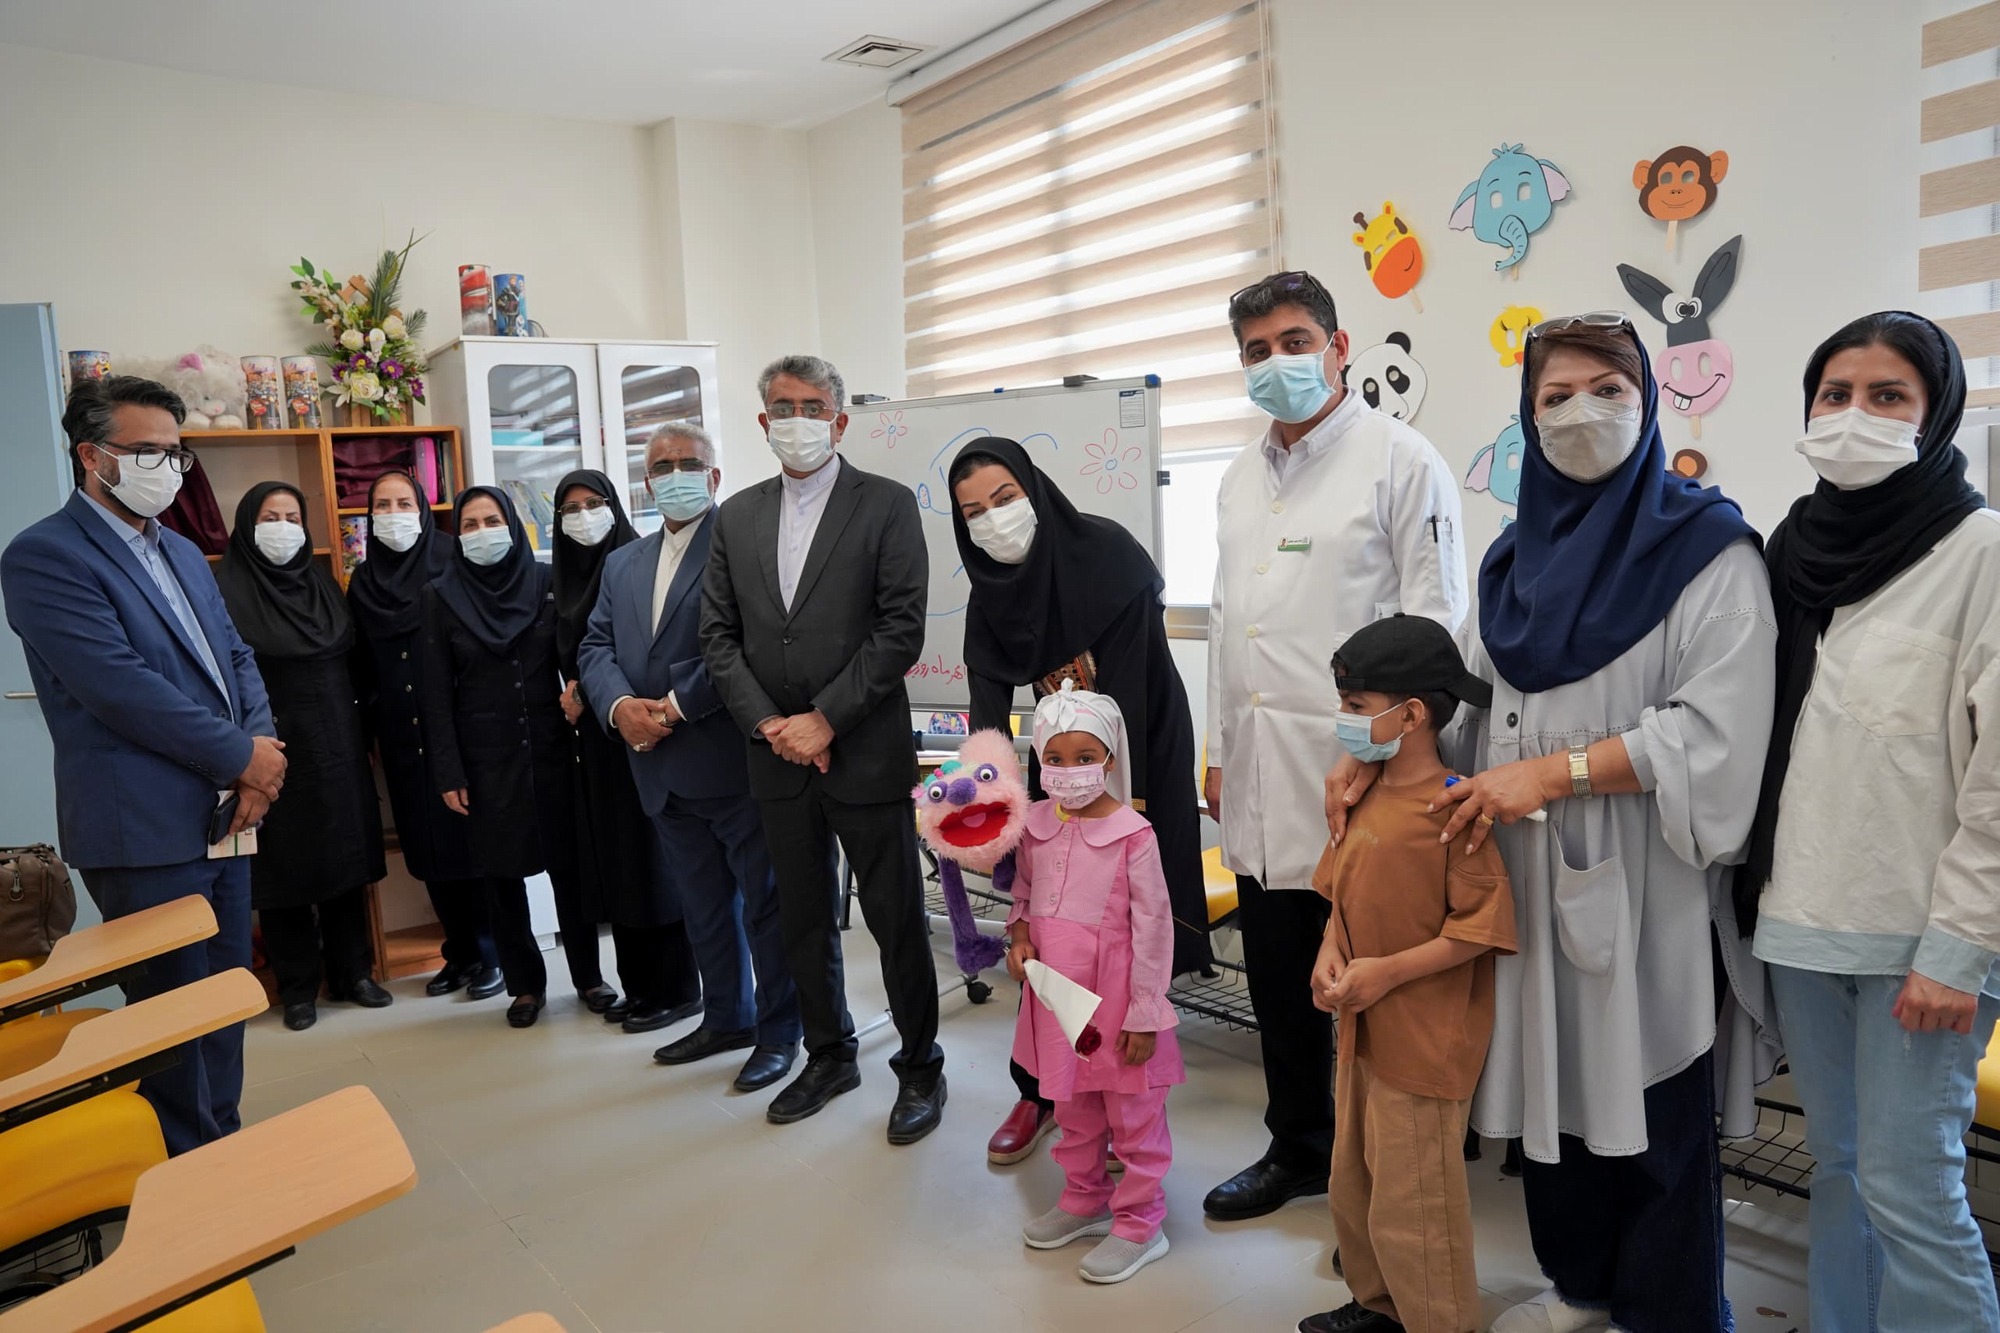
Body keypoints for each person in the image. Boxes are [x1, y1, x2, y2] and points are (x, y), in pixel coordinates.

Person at [1329, 315, 1780, 1333]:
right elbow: (1462, 707)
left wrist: (1558, 773)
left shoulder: (1710, 554)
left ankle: (1668, 1313)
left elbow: (1715, 736)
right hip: (1518, 874)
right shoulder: (1509, 564)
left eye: (1608, 389)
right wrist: (1372, 756)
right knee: (1550, 1096)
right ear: (1527, 420)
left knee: (1652, 1102)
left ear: (1648, 403)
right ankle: (1579, 1288)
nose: (1581, 413)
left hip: (1644, 877)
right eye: (1554, 396)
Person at [1743, 312, 2000, 1332]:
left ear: (1935, 414)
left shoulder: (1980, 551)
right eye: (1834, 394)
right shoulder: (1790, 549)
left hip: (1922, 943)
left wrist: (1958, 950)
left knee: (1911, 1189)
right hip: (1803, 923)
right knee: (1841, 1169)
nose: (1854, 414)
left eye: (1887, 395)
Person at [1203, 270, 1469, 1222]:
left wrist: (1378, 753)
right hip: (1261, 773)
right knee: (1280, 975)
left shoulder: (1402, 461)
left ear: (1339, 346)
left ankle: (1386, 1175)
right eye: (1257, 350)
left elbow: (1438, 627)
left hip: (1367, 774)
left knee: (1372, 986)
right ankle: (1300, 1147)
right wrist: (1218, 747)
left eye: (1294, 342)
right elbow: (1229, 623)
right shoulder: (1238, 477)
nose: (1276, 362)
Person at [0, 375, 281, 1154]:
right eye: (147, 451)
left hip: (229, 815)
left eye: (175, 453)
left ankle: (221, 1146)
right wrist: (242, 756)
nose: (167, 467)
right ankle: (185, 1172)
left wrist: (260, 753)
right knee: (172, 1018)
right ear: (92, 456)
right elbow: (120, 688)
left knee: (224, 1002)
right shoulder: (44, 556)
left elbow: (235, 656)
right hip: (143, 828)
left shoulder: (182, 550)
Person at [700, 353, 944, 1144]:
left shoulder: (886, 504)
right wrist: (773, 725)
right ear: (762, 420)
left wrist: (826, 719)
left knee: (894, 917)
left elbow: (900, 628)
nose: (797, 420)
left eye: (813, 407)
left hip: (864, 748)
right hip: (775, 756)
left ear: (839, 421)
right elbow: (718, 635)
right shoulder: (736, 516)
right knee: (800, 915)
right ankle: (830, 1054)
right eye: (783, 406)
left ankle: (920, 1066)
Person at [951, 437, 1211, 1167]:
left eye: (1004, 498)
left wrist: (1108, 810)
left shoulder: (1108, 556)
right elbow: (986, 720)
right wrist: (986, 805)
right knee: (1046, 932)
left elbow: (1126, 698)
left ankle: (1124, 1096)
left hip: (1136, 753)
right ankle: (1039, 1089)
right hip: (1058, 758)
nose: (993, 520)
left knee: (1118, 928)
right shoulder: (990, 593)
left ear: (1034, 490)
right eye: (973, 512)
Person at [1298, 615, 1515, 1333]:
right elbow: (1340, 896)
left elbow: (1478, 930)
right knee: (1355, 1181)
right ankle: (1379, 1306)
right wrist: (1330, 952)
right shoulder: (1360, 793)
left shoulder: (1455, 808)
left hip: (1423, 1044)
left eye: (1355, 706)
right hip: (1362, 1032)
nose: (1343, 720)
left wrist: (1387, 973)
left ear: (1412, 714)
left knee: (1415, 1201)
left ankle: (1438, 1321)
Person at [580, 424, 801, 1091]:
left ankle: (779, 1030)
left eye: (687, 463)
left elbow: (750, 644)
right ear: (646, 483)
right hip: (658, 768)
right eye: (660, 466)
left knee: (765, 907)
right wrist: (621, 708)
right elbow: (595, 646)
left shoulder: (746, 547)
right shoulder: (623, 562)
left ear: (714, 475)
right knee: (703, 907)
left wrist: (674, 707)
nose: (674, 474)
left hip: (729, 759)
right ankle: (727, 1017)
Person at [1006, 683, 1181, 1285]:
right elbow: (1023, 893)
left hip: (1119, 1000)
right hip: (1057, 998)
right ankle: (1084, 1198)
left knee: (1133, 1112)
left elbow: (1155, 926)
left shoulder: (1134, 834)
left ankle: (1141, 1222)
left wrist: (1145, 1012)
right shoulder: (1034, 825)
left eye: (1085, 757)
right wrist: (1020, 936)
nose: (1070, 770)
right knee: (1071, 1103)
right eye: (1055, 758)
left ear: (1109, 759)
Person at [215, 481, 388, 1031]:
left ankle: (354, 974)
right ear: (247, 526)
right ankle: (296, 989)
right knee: (282, 871)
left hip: (338, 743)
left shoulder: (323, 584)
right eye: (271, 517)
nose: (284, 528)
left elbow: (354, 665)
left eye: (293, 517)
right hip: (270, 750)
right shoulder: (224, 592)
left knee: (345, 861)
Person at [551, 467, 702, 1033]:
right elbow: (583, 650)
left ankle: (677, 989)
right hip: (599, 739)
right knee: (619, 863)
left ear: (614, 505)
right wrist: (581, 692)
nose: (583, 517)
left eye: (594, 503)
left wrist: (598, 695)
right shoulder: (564, 578)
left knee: (656, 862)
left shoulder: (639, 561)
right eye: (570, 509)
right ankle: (639, 987)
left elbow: (647, 646)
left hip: (651, 727)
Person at [347, 470, 503, 1003]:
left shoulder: (454, 563)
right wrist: (370, 729)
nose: (393, 515)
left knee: (472, 845)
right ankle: (459, 952)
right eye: (382, 506)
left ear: (422, 509)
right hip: (400, 732)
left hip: (457, 728)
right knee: (428, 849)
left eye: (403, 504)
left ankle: (492, 952)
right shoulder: (364, 581)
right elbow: (363, 664)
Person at [419, 486, 571, 1029]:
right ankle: (525, 986)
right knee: (501, 878)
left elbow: (573, 663)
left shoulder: (546, 581)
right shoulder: (440, 596)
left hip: (553, 750)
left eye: (492, 520)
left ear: (513, 525)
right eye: (470, 524)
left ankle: (589, 978)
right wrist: (448, 770)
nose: (482, 532)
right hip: (484, 760)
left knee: (570, 871)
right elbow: (435, 693)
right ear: (456, 536)